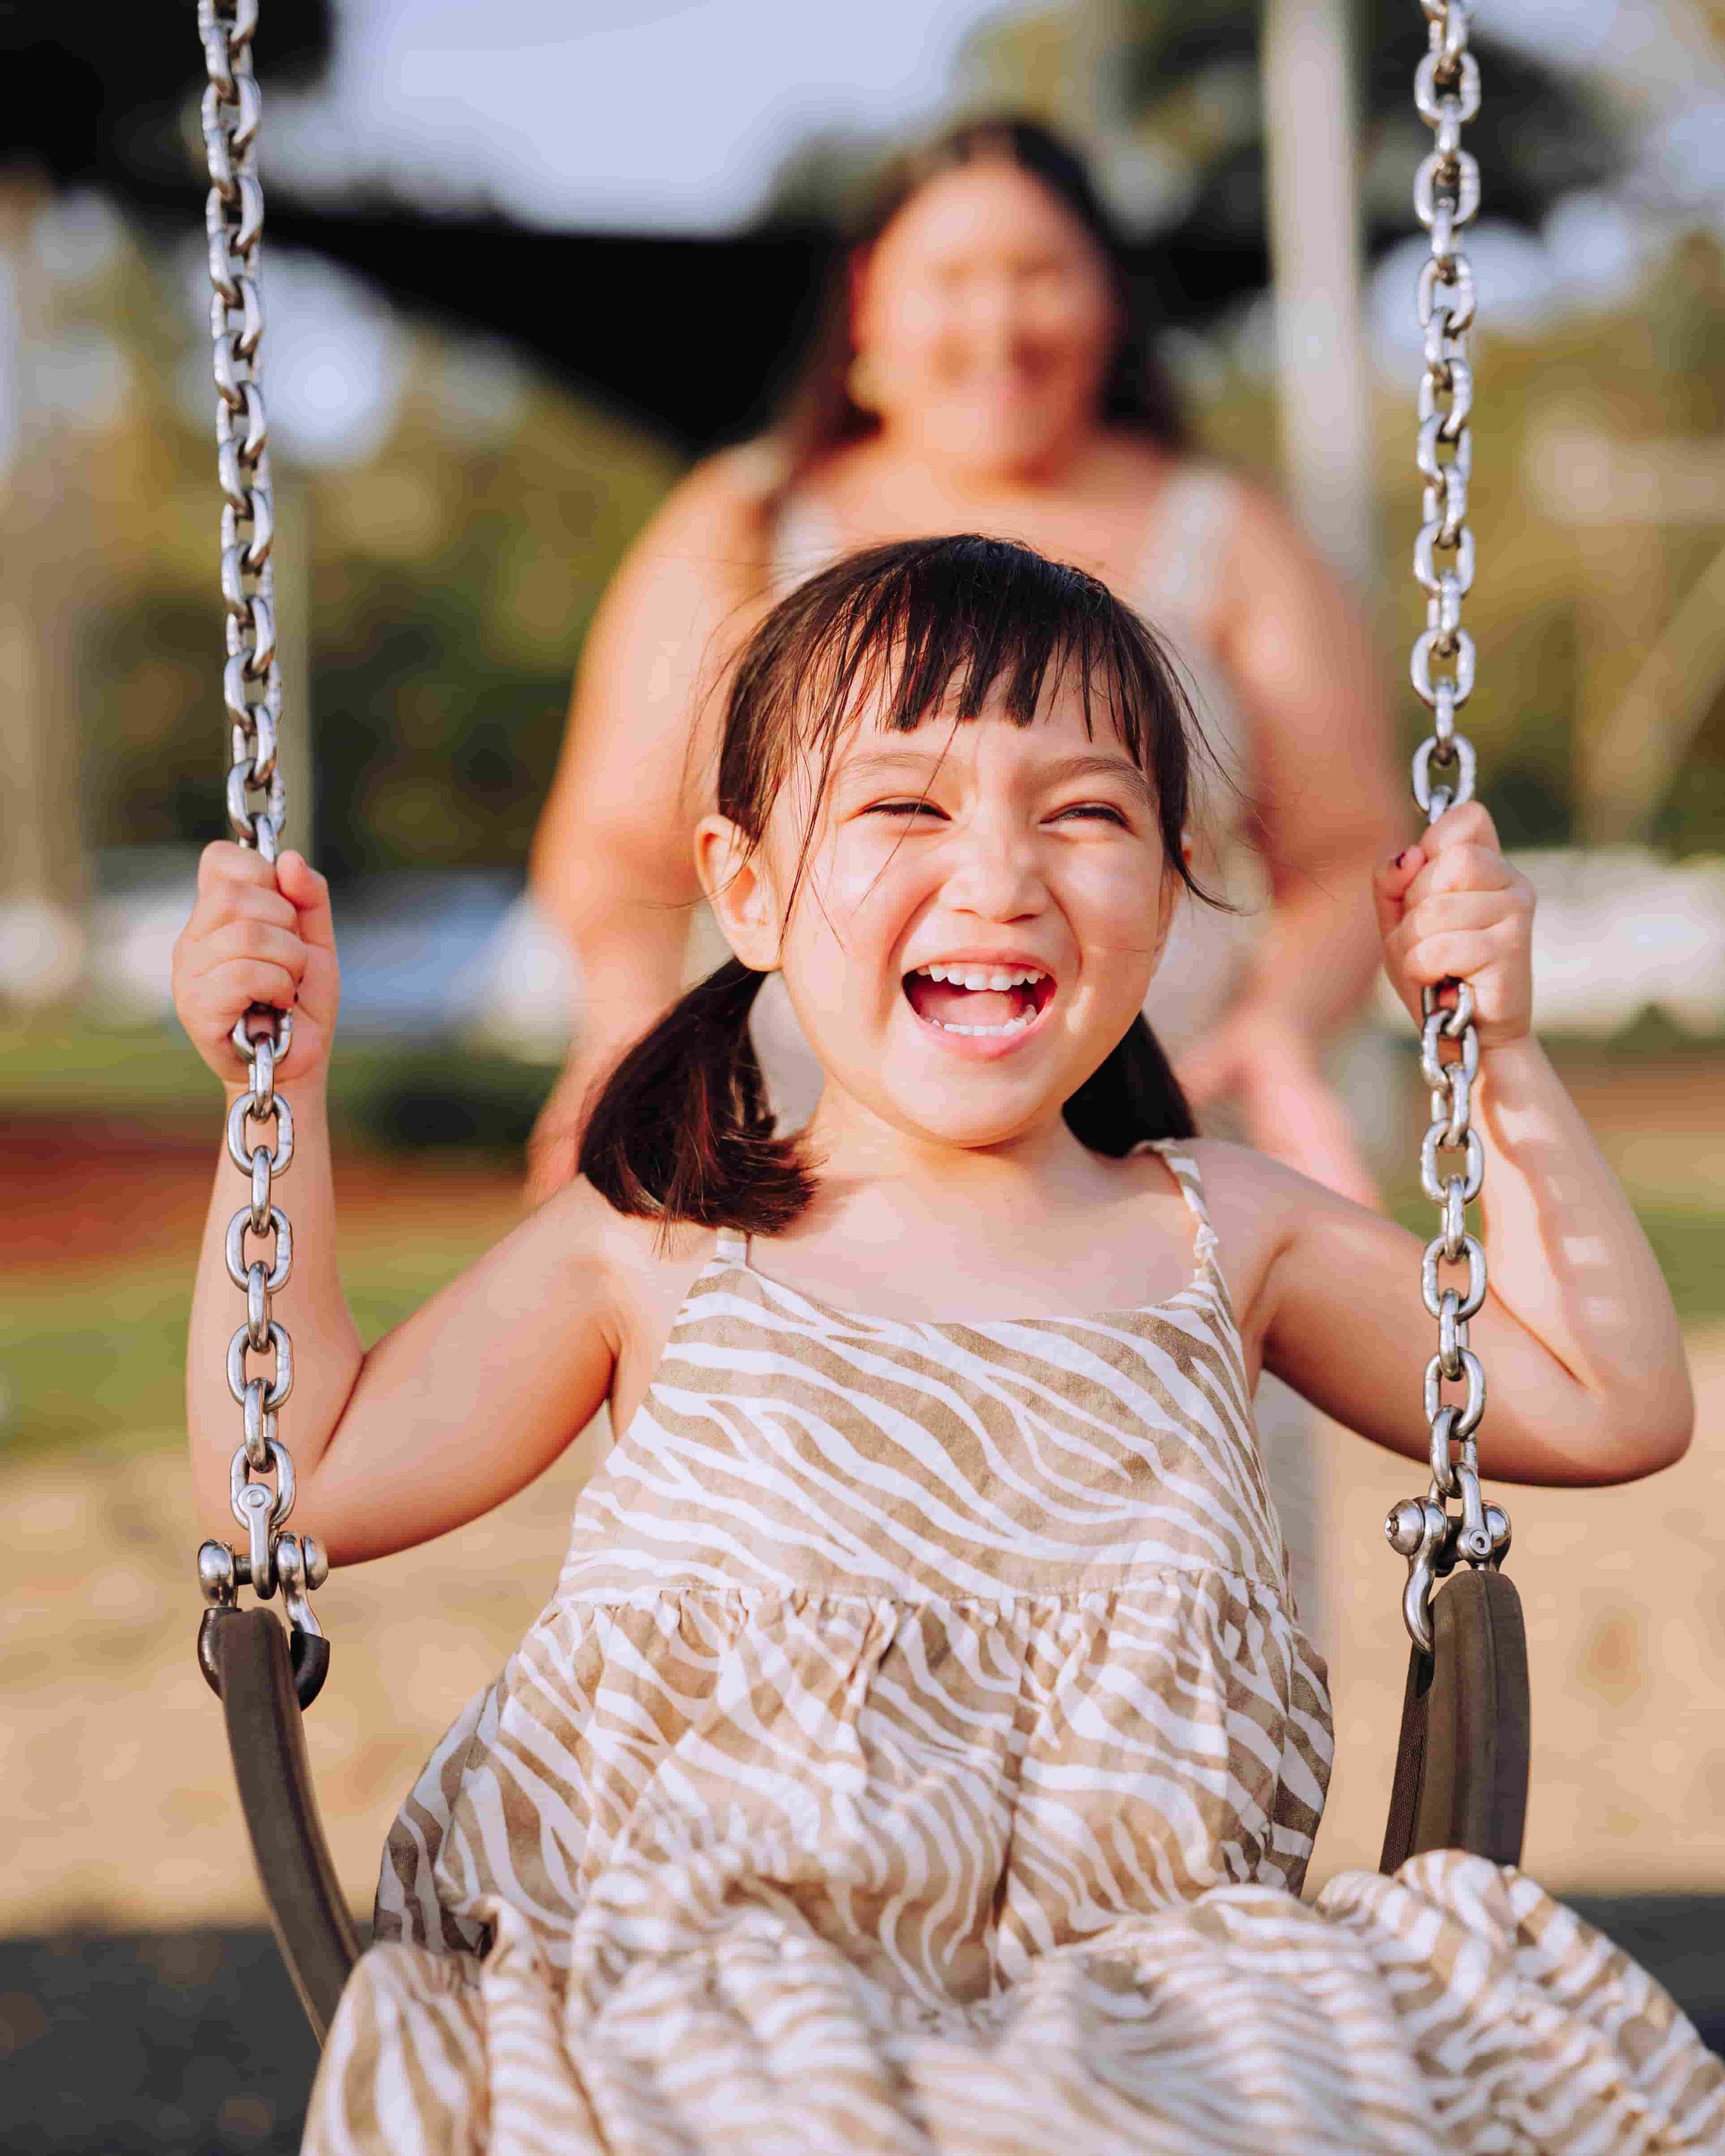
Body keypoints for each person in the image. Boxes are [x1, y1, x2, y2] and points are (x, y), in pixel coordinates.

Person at [174, 540, 1718, 2152]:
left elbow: (1602, 1403)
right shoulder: (660, 1242)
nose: (998, 876)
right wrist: (275, 1098)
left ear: (1170, 886)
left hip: (1151, 2013)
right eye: (904, 806)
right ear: (746, 887)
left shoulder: (1224, 1232)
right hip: (700, 1998)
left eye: (1084, 814)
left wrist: (1496, 1054)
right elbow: (297, 1480)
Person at [525, 117, 1400, 1211]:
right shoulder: (744, 522)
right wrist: (621, 1029)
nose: (997, 324)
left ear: (1108, 303)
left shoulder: (1231, 535)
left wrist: (1276, 1031)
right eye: (951, 280)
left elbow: (1347, 847)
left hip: (1158, 1144)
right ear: (869, 305)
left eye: (1039, 276)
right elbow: (615, 848)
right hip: (794, 1150)